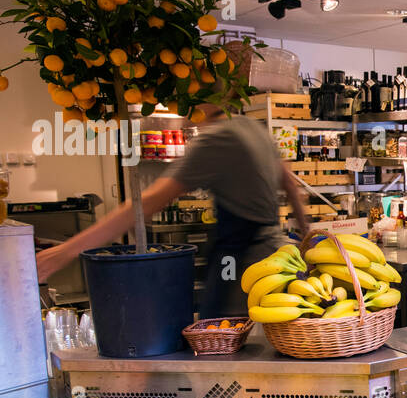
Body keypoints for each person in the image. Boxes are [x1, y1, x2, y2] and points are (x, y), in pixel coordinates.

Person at [35, 105, 310, 317]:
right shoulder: (251, 127)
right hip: (274, 250)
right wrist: (306, 236)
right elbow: (288, 181)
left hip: (239, 260)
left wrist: (63, 254)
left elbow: (149, 202)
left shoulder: (215, 140)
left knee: (225, 328)